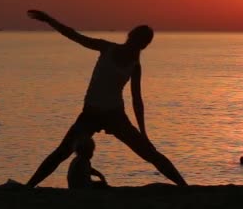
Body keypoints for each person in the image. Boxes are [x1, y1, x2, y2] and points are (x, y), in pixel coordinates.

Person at [26, 10, 187, 187]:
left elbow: (137, 101)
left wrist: (143, 132)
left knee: (149, 153)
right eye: (135, 39)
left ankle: (184, 186)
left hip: (115, 116)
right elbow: (76, 36)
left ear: (143, 45)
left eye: (140, 42)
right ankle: (29, 186)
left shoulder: (135, 66)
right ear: (130, 36)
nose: (134, 44)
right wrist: (49, 20)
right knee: (62, 152)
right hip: (91, 114)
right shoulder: (107, 48)